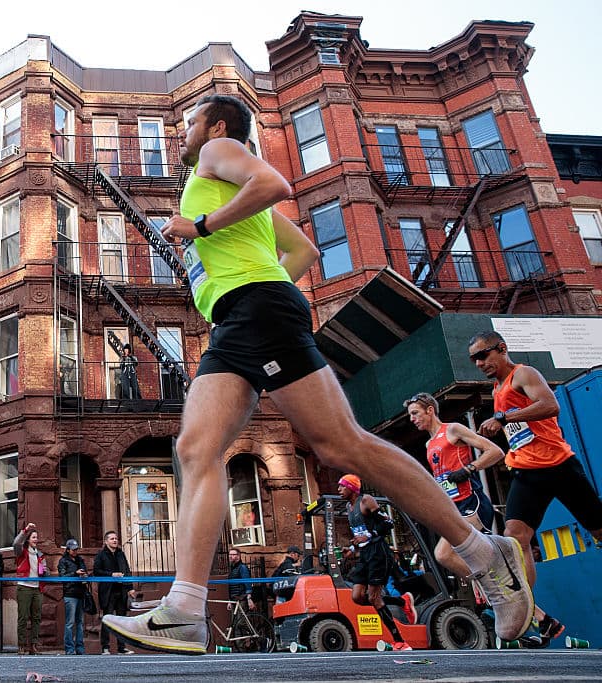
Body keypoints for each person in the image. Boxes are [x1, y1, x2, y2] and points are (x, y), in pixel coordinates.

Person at [102, 94, 534, 654]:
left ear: (215, 125)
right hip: (242, 315)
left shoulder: (218, 151)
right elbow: (304, 250)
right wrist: (258, 278)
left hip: (254, 309)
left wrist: (204, 228)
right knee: (196, 448)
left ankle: (481, 550)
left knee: (342, 446)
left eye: (189, 125)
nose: (182, 136)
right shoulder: (231, 189)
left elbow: (276, 184)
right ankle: (185, 610)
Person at [470, 331, 602, 641]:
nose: (479, 363)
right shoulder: (497, 389)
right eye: (474, 359)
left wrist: (504, 417)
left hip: (558, 466)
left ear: (502, 349)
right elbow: (518, 428)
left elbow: (549, 405)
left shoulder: (523, 373)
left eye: (484, 355)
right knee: (515, 539)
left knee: (598, 530)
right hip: (527, 473)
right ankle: (530, 613)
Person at [405, 393, 503, 576]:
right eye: (411, 415)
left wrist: (469, 469)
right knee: (471, 559)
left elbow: (495, 451)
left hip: (471, 503)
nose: (412, 419)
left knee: (443, 554)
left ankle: (493, 584)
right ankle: (498, 587)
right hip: (453, 508)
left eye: (415, 413)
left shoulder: (453, 429)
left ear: (430, 410)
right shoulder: (429, 444)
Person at [338, 474, 415, 651]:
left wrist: (369, 535)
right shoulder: (349, 508)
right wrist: (351, 550)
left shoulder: (366, 500)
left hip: (378, 553)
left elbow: (388, 524)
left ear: (352, 487)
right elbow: (361, 536)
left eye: (342, 486)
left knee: (373, 597)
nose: (339, 490)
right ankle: (401, 602)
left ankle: (400, 641)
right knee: (357, 597)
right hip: (365, 554)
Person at [93, 530, 135, 655]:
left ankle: (121, 647)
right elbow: (96, 571)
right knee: (107, 619)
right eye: (112, 539)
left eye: (116, 538)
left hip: (121, 591)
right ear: (106, 541)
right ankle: (105, 647)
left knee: (121, 620)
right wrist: (111, 575)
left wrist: (130, 588)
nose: (115, 541)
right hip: (108, 592)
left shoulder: (121, 554)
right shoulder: (101, 555)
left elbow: (127, 570)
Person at [13, 522, 47, 655]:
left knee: (36, 617)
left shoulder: (40, 554)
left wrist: (45, 571)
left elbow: (45, 570)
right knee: (23, 617)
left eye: (37, 537)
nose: (36, 539)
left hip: (37, 588)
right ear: (28, 539)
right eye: (33, 537)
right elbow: (16, 543)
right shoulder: (21, 551)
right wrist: (25, 530)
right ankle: (21, 645)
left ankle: (33, 645)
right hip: (24, 587)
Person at [58, 538, 89, 655]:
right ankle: (69, 648)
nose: (75, 551)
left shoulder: (80, 560)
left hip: (80, 593)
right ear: (68, 550)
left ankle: (80, 648)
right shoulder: (63, 561)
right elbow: (62, 577)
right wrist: (75, 573)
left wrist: (85, 575)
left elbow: (85, 572)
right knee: (70, 623)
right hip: (70, 594)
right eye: (73, 550)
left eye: (76, 549)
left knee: (80, 623)